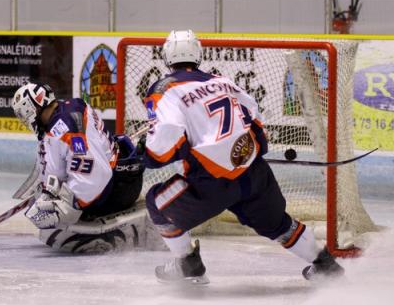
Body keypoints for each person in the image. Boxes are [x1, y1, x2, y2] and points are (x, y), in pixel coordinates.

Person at [142, 30, 344, 284]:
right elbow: (254, 120)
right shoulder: (223, 81)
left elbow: (166, 136)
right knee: (280, 224)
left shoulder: (164, 89)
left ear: (166, 57)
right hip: (253, 172)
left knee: (156, 202)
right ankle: (325, 266)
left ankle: (187, 263)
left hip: (210, 183)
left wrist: (147, 155)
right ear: (198, 54)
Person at [11, 82, 154, 253]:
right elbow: (61, 166)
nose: (24, 120)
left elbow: (95, 177)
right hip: (123, 179)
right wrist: (45, 190)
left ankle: (120, 230)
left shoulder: (62, 131)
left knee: (53, 230)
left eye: (22, 114)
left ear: (32, 108)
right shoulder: (72, 107)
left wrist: (63, 206)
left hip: (115, 191)